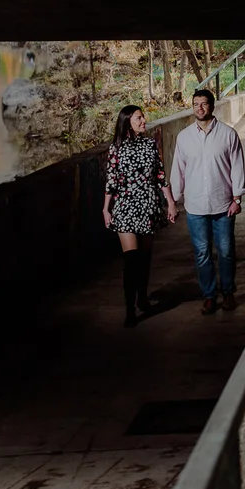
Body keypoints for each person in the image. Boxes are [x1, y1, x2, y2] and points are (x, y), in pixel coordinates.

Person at [170, 89, 245, 314]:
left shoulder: (228, 134)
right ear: (192, 107)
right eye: (195, 104)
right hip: (195, 206)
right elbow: (178, 171)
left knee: (226, 251)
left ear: (212, 106)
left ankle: (228, 293)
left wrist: (237, 198)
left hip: (223, 204)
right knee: (202, 253)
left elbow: (237, 167)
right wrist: (173, 201)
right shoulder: (184, 137)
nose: (199, 108)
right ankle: (209, 295)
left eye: (204, 104)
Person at [103, 105, 177, 328]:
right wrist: (105, 208)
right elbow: (111, 180)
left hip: (147, 205)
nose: (144, 121)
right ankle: (129, 309)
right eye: (139, 118)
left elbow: (160, 175)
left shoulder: (149, 144)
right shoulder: (116, 148)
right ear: (127, 121)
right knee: (131, 259)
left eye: (143, 117)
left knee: (144, 258)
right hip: (125, 207)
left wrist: (170, 202)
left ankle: (142, 296)